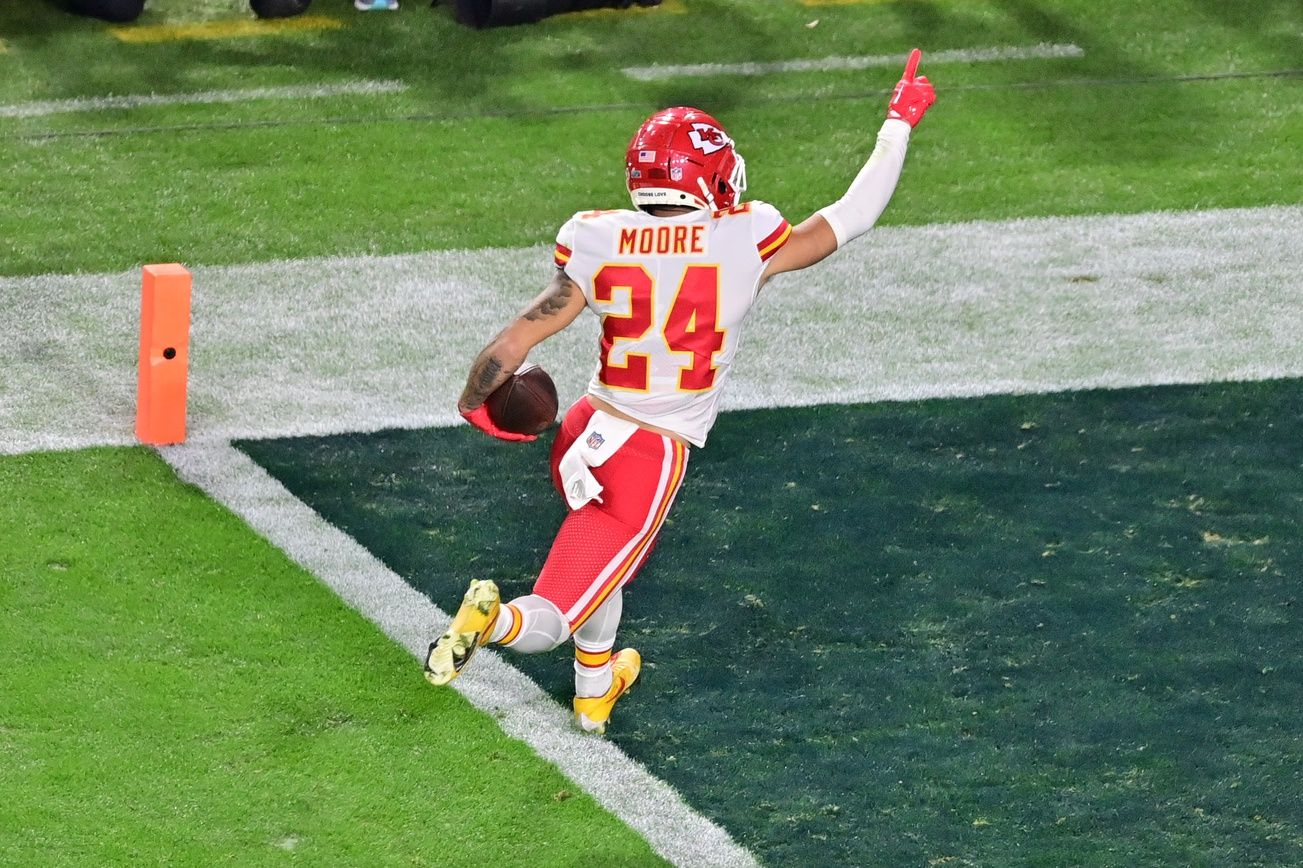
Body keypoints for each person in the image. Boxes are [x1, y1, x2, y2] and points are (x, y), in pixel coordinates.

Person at [425, 50, 936, 735]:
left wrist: (474, 402)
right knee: (552, 615)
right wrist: (897, 124)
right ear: (713, 173)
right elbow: (852, 215)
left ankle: (594, 691)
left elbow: (511, 346)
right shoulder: (745, 235)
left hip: (585, 429)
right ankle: (491, 622)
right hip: (648, 454)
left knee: (599, 560)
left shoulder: (598, 235)